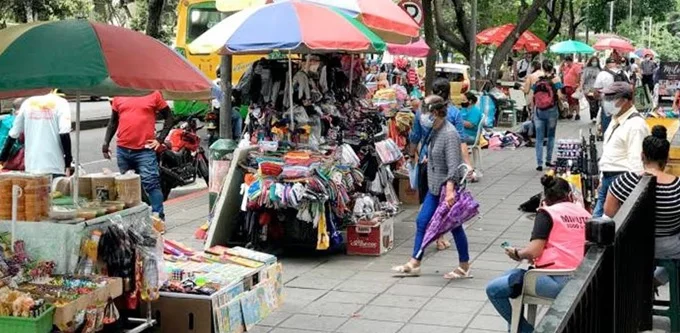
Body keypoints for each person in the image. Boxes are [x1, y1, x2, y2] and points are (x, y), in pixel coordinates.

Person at [486, 175, 590, 333]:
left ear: (546, 197)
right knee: (511, 278)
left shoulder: (547, 213)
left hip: (555, 281)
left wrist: (516, 253)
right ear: (570, 195)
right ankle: (514, 329)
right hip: (582, 278)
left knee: (493, 289)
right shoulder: (585, 215)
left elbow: (534, 251)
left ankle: (525, 330)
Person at [395, 95, 471, 278]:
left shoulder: (449, 133)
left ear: (436, 113)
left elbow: (453, 165)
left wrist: (451, 191)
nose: (422, 117)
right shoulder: (435, 131)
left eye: (426, 112)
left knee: (455, 226)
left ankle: (464, 266)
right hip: (435, 186)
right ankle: (415, 262)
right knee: (422, 221)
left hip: (447, 189)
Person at [604, 125, 680, 285]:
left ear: (642, 156)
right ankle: (655, 281)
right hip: (669, 249)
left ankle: (641, 282)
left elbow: (609, 212)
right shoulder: (677, 186)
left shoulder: (624, 181)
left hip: (633, 247)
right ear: (666, 159)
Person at [103, 91, 174, 220]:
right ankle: (134, 218)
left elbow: (169, 117)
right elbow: (113, 122)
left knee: (151, 184)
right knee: (127, 187)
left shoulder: (153, 94)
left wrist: (160, 139)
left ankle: (158, 217)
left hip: (145, 150)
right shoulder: (118, 94)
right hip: (123, 150)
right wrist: (106, 143)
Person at [591, 82, 649, 218]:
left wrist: (629, 192)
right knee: (597, 226)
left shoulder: (636, 125)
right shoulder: (615, 119)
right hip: (607, 178)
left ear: (625, 101)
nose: (607, 102)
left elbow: (637, 163)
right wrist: (602, 178)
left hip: (621, 181)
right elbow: (608, 151)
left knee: (606, 226)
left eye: (611, 99)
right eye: (606, 98)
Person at [0, 93, 72, 176]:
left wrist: (2, 158)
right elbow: (64, 133)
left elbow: (13, 134)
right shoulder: (61, 103)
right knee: (54, 188)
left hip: (31, 165)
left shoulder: (27, 103)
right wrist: (68, 163)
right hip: (55, 165)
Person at [527, 59, 563, 171]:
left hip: (539, 111)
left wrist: (532, 111)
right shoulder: (556, 79)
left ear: (542, 68)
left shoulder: (538, 81)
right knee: (551, 136)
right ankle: (548, 160)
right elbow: (560, 96)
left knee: (539, 138)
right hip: (552, 110)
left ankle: (539, 163)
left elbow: (532, 97)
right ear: (552, 68)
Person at [593, 58, 628, 138]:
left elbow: (597, 90)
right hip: (622, 102)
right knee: (621, 121)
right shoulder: (623, 73)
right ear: (616, 64)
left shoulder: (602, 74)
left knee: (607, 122)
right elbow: (630, 87)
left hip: (607, 102)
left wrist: (597, 97)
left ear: (606, 64)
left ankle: (608, 138)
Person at [561, 55, 583, 120]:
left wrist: (577, 84)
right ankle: (570, 113)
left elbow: (579, 75)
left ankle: (577, 113)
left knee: (575, 100)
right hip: (566, 85)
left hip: (573, 86)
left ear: (570, 61)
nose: (566, 63)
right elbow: (560, 69)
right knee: (569, 100)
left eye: (567, 62)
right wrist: (563, 62)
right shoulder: (566, 67)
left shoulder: (576, 66)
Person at [581, 56, 602, 122]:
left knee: (597, 103)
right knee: (592, 102)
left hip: (597, 88)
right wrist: (581, 87)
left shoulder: (600, 69)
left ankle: (594, 116)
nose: (594, 62)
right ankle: (593, 116)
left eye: (595, 61)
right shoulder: (586, 69)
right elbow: (583, 78)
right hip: (588, 88)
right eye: (593, 61)